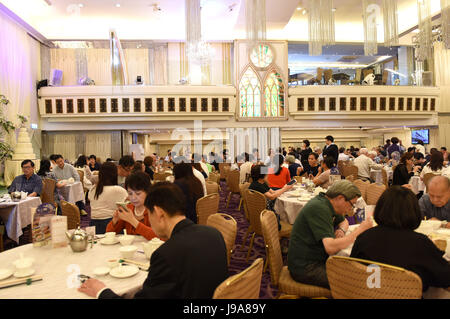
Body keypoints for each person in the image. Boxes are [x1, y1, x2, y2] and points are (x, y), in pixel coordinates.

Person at [79, 182, 228, 299]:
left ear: (158, 213)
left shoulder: (166, 254)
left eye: (149, 214)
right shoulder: (214, 234)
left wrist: (101, 291)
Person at [350, 186, 450, 292]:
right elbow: (445, 279)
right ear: (413, 211)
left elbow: (351, 272)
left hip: (366, 294)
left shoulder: (364, 238)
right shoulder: (420, 244)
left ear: (380, 208)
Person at [288, 180, 372, 288]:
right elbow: (330, 248)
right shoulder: (319, 208)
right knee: (354, 283)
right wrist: (360, 230)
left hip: (318, 259)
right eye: (352, 204)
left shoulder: (328, 203)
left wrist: (341, 230)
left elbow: (344, 221)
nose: (351, 208)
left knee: (354, 272)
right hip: (305, 267)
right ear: (340, 198)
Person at [106, 172, 159, 239]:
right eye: (130, 193)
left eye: (138, 193)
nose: (133, 198)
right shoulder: (128, 209)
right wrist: (115, 220)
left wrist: (132, 220)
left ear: (148, 192)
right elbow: (109, 234)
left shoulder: (155, 210)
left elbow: (158, 237)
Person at [88, 162, 128, 234]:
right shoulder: (117, 190)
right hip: (110, 223)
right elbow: (128, 206)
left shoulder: (93, 189)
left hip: (93, 224)